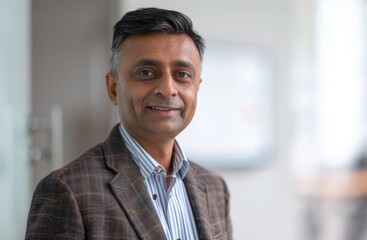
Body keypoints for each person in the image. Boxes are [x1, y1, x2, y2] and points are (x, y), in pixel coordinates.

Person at [25, 7, 232, 240]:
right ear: (113, 88)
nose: (167, 89)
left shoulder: (214, 188)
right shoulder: (68, 191)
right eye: (146, 72)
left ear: (197, 87)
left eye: (182, 74)